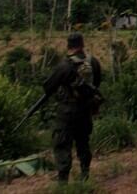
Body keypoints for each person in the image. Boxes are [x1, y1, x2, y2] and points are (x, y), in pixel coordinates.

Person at [42, 32, 102, 183]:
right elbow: (97, 83)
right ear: (82, 45)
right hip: (86, 110)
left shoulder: (64, 66)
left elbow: (48, 86)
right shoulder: (93, 62)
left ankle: (63, 181)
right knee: (83, 141)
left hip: (67, 112)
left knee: (62, 144)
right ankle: (85, 174)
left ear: (68, 46)